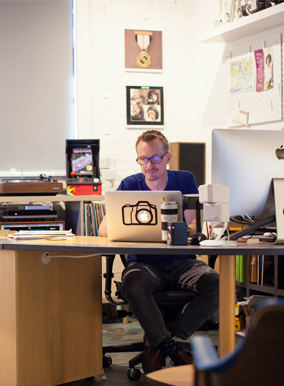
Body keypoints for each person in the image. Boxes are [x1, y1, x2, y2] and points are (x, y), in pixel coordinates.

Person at [98, 130, 219, 373]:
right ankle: (172, 348)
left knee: (218, 284)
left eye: (155, 158)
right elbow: (103, 229)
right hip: (144, 265)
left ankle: (162, 342)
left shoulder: (184, 179)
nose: (149, 165)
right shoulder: (130, 184)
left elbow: (193, 225)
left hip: (183, 262)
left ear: (167, 157)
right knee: (133, 284)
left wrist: (179, 230)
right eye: (143, 159)